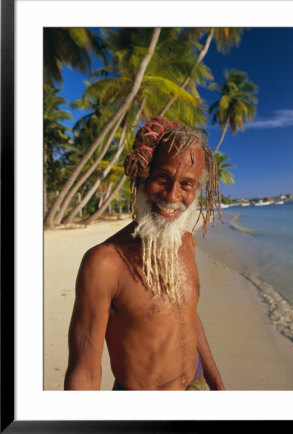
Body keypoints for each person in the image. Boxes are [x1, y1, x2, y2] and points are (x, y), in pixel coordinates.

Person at [64, 116, 225, 391]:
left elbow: (188, 315)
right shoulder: (104, 263)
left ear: (196, 190)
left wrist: (217, 385)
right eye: (162, 177)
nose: (172, 195)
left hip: (196, 383)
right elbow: (84, 372)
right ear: (143, 176)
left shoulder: (186, 243)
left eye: (186, 184)